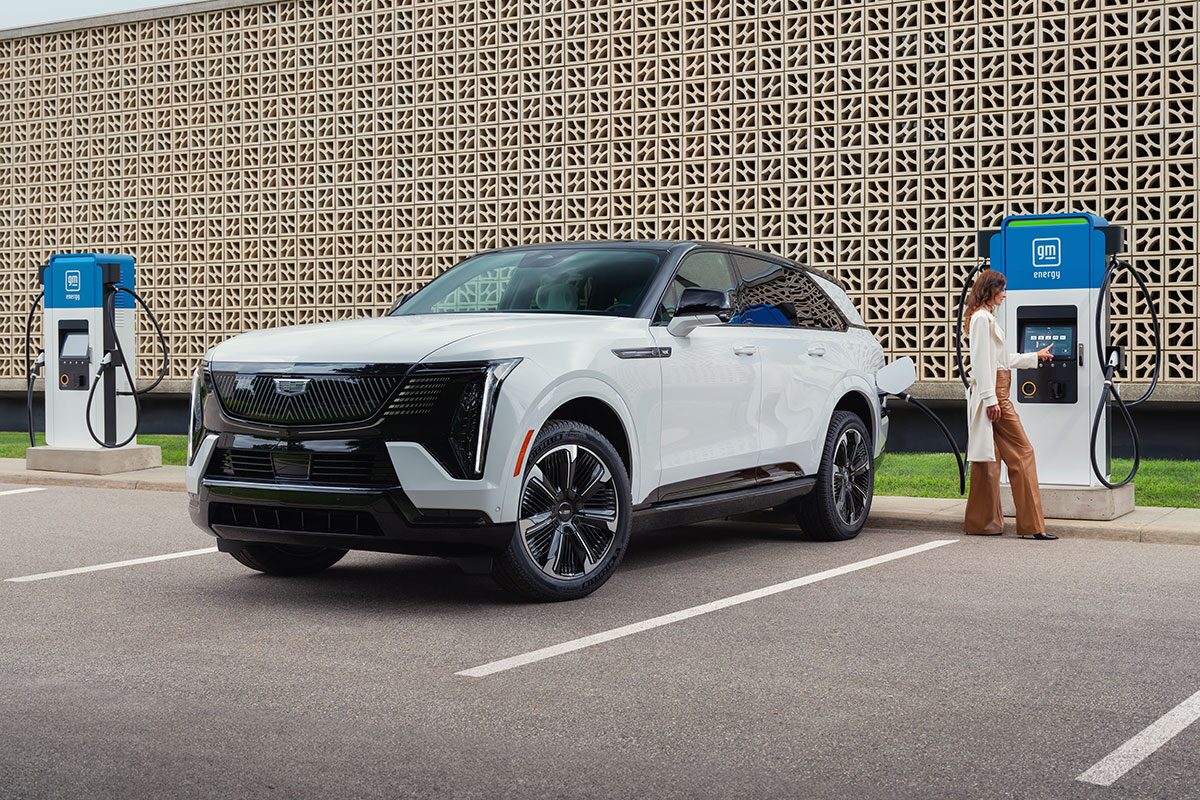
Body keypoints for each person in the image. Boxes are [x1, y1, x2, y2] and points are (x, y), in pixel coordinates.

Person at [962, 269, 1057, 540]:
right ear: (991, 290)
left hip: (997, 391)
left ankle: (983, 523)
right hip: (996, 394)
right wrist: (992, 400)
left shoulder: (985, 319)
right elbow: (981, 363)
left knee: (988, 459)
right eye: (1002, 289)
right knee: (1023, 452)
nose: (1005, 294)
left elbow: (1001, 360)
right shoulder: (982, 319)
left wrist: (1034, 357)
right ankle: (1032, 527)